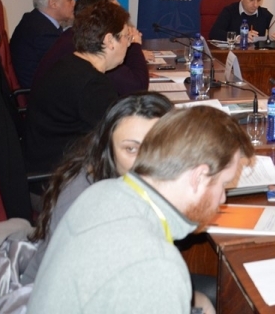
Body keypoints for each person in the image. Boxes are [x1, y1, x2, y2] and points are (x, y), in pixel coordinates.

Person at [28, 106, 253, 314]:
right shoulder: (155, 265)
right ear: (199, 177)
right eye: (224, 184)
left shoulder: (102, 191)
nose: (223, 198)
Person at [23, 92, 173, 284]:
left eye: (157, 146)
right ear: (109, 150)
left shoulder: (133, 184)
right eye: (131, 149)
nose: (145, 160)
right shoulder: (86, 203)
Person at [25, 0, 130, 173]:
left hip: (45, 162)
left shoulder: (69, 63)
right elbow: (122, 136)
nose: (129, 43)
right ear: (110, 40)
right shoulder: (92, 84)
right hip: (60, 178)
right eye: (126, 36)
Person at [33, 0, 149, 95]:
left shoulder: (75, 36)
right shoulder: (89, 49)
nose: (120, 15)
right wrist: (134, 43)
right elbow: (136, 87)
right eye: (114, 12)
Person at [10, 0, 75, 88]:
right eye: (70, 0)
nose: (74, 3)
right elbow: (69, 66)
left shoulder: (34, 20)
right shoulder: (43, 32)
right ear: (53, 3)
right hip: (40, 91)